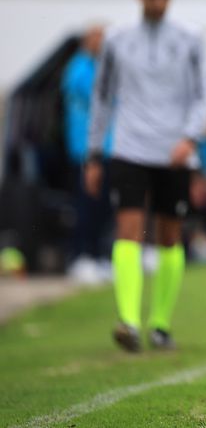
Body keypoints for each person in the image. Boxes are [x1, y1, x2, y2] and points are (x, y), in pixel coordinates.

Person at [85, 0, 206, 352]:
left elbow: (203, 94)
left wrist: (190, 137)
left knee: (169, 237)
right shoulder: (116, 39)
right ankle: (128, 321)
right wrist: (94, 153)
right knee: (128, 230)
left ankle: (160, 324)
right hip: (130, 148)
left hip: (175, 151)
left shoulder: (190, 38)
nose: (159, 2)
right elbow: (102, 97)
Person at [61, 24, 114, 283]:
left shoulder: (101, 67)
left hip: (106, 149)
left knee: (103, 205)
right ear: (88, 40)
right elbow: (100, 95)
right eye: (99, 38)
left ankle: (96, 255)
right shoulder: (79, 67)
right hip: (84, 150)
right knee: (86, 203)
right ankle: (79, 257)